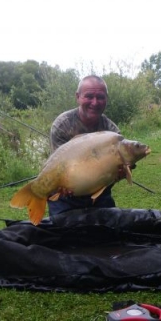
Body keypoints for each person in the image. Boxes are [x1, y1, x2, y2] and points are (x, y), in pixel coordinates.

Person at [48, 75, 121, 216]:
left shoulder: (112, 131)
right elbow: (58, 167)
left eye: (100, 97)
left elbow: (115, 171)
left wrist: (120, 174)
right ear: (78, 97)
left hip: (100, 195)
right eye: (89, 96)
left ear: (106, 98)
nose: (95, 102)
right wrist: (62, 184)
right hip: (65, 198)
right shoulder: (62, 124)